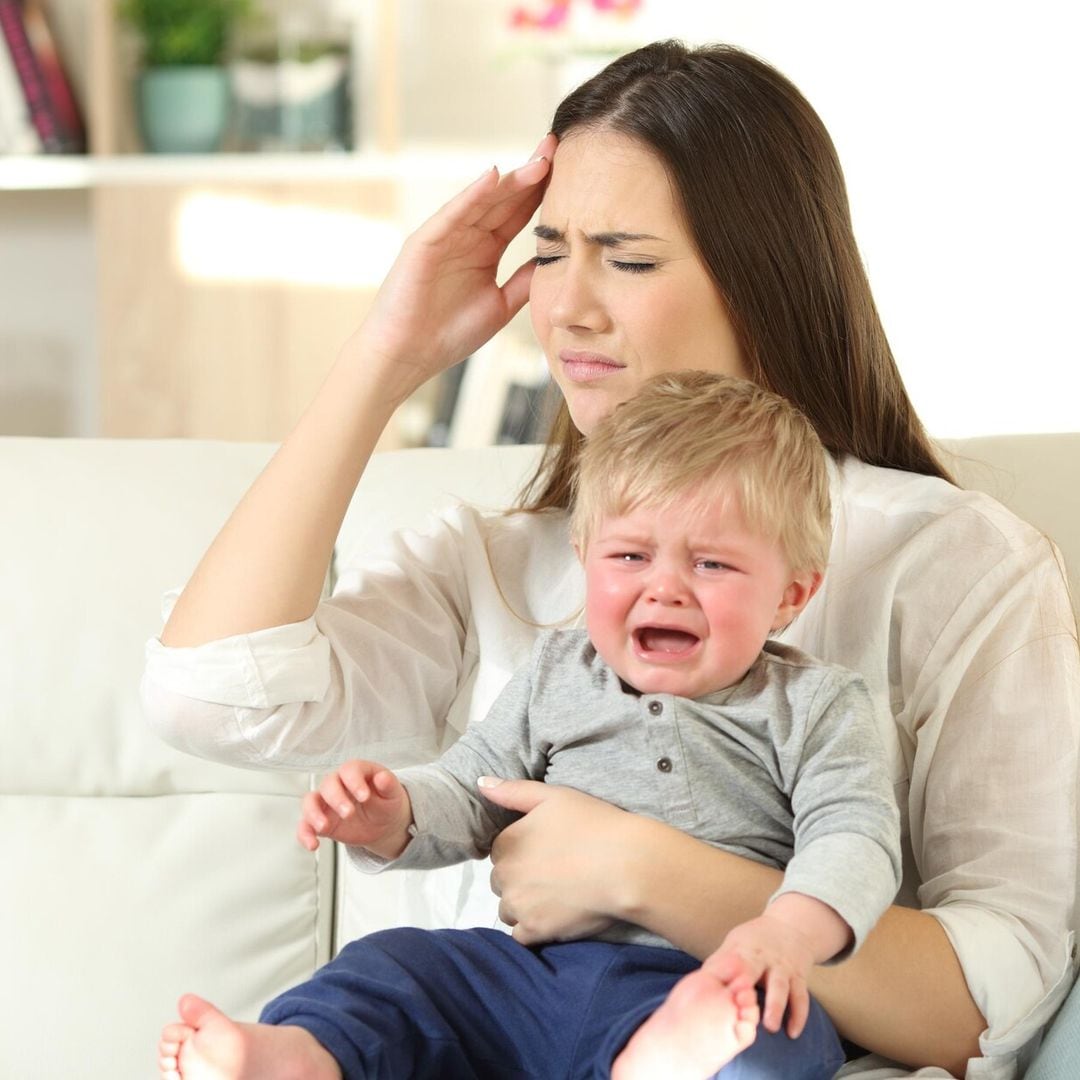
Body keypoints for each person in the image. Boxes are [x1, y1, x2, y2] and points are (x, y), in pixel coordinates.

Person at [143, 39, 1079, 1080]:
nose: (567, 308)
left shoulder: (953, 562)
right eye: (549, 252)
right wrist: (386, 354)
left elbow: (993, 1002)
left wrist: (647, 870)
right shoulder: (494, 563)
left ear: (761, 275)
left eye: (626, 258)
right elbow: (209, 699)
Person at [157, 372, 902, 1079]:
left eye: (710, 565)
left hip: (699, 977)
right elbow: (475, 785)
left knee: (784, 1031)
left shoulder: (816, 704)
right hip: (530, 974)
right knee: (393, 967)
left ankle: (666, 1058)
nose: (665, 588)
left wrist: (787, 935)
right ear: (585, 559)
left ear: (790, 596)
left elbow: (854, 838)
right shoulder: (555, 673)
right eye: (631, 555)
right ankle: (300, 1056)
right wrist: (395, 812)